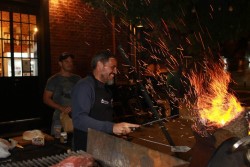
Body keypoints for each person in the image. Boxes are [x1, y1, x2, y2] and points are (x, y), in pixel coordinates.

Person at [71, 50, 140, 151]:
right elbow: (79, 120)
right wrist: (112, 127)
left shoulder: (106, 89)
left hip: (103, 145)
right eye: (113, 67)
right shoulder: (85, 86)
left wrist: (114, 133)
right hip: (86, 148)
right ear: (99, 65)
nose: (116, 71)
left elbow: (102, 117)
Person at [43, 52, 81, 135]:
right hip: (59, 117)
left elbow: (83, 96)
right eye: (66, 61)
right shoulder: (53, 80)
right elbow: (46, 99)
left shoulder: (78, 79)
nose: (70, 64)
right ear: (60, 63)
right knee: (57, 141)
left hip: (75, 117)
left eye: (71, 61)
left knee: (74, 142)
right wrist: (61, 108)